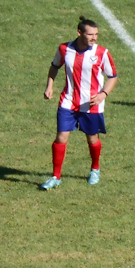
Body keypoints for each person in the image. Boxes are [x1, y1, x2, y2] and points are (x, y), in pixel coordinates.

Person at [41, 17, 118, 190]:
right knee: (61, 137)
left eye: (96, 34)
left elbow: (113, 76)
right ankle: (56, 176)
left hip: (91, 104)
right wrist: (50, 86)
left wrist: (103, 94)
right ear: (79, 33)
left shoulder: (102, 53)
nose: (94, 38)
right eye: (90, 34)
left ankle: (95, 169)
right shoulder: (64, 49)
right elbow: (55, 66)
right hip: (68, 101)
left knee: (92, 139)